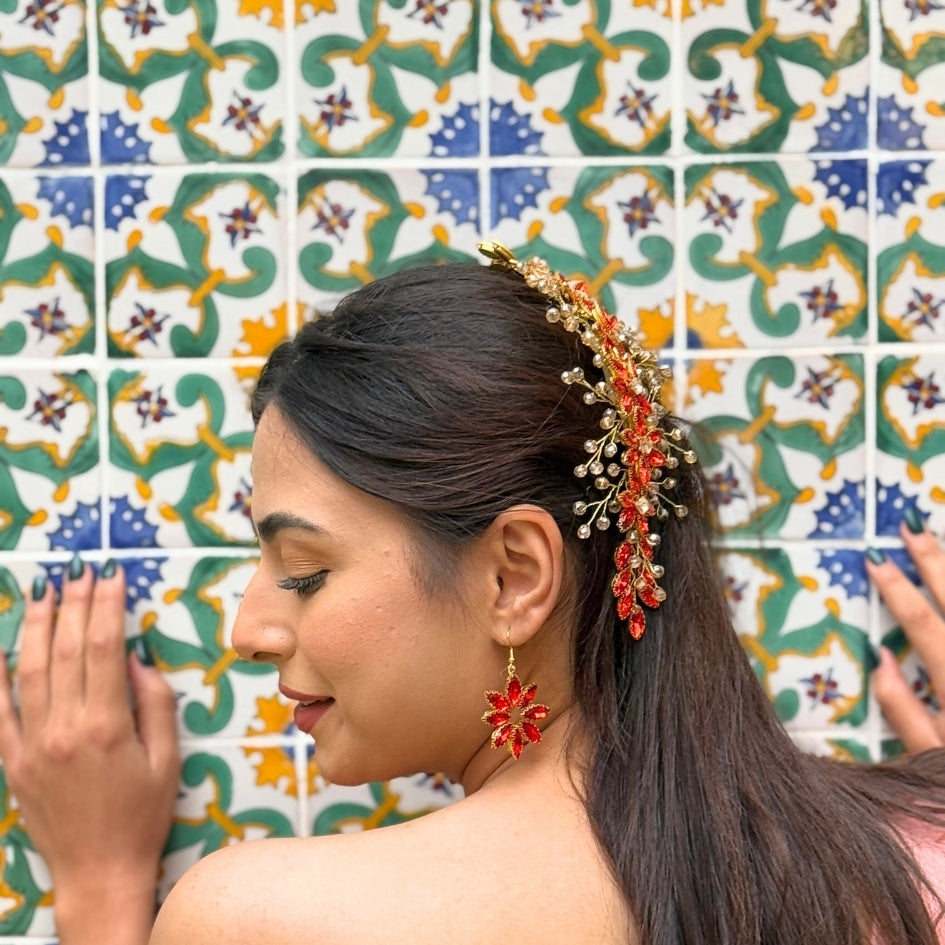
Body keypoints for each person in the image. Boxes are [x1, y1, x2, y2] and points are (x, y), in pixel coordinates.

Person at [1, 243, 944, 945]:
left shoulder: (261, 919)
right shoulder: (911, 861)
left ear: (516, 575)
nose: (248, 629)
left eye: (304, 570)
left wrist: (99, 888)